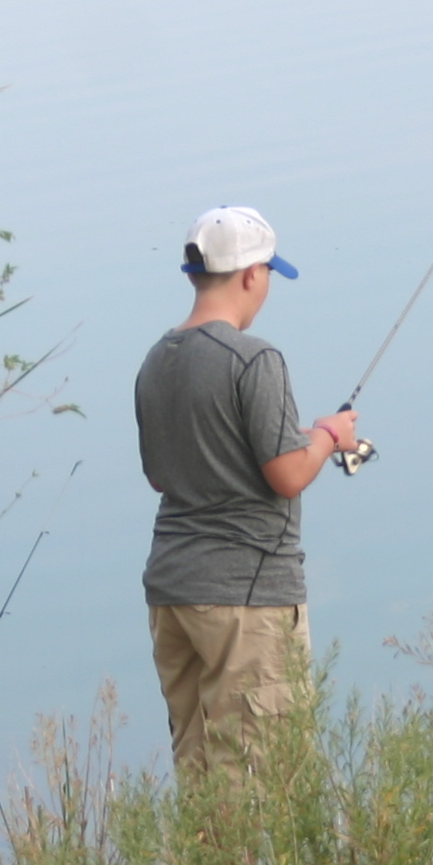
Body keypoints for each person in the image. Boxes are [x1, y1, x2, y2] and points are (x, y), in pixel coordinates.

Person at [134, 206, 359, 778]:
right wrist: (328, 436)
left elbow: (160, 476)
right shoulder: (254, 359)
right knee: (263, 775)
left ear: (194, 274)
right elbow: (286, 474)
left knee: (200, 767)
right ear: (252, 275)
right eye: (266, 275)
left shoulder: (156, 359)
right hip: (247, 596)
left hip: (172, 591)